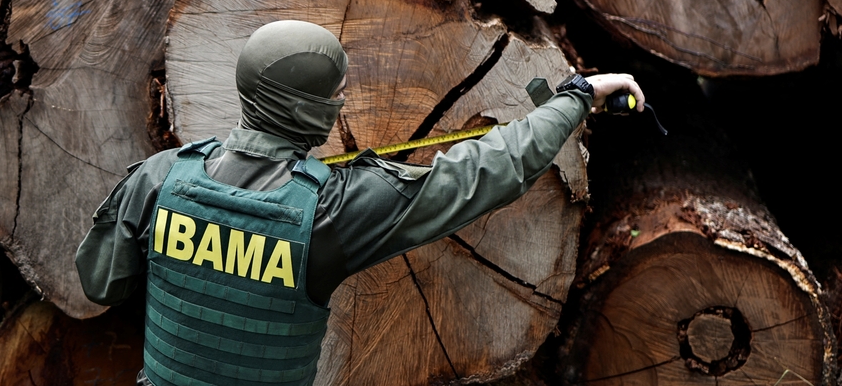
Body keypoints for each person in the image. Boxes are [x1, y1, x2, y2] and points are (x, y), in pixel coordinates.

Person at [75, 20, 644, 386]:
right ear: (313, 112)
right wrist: (575, 97)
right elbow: (491, 170)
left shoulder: (161, 177)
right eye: (334, 96)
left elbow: (100, 283)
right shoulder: (332, 209)